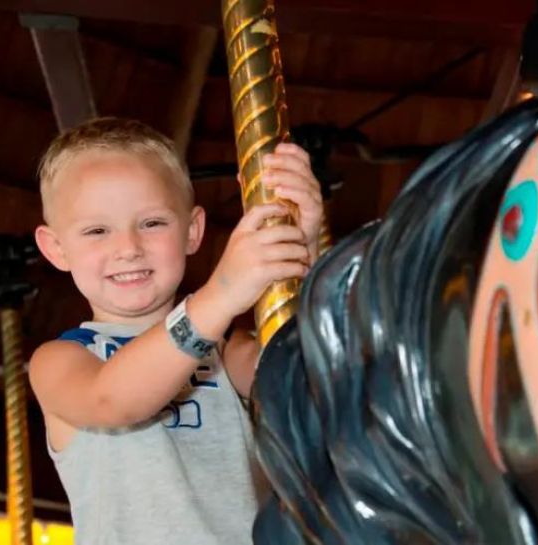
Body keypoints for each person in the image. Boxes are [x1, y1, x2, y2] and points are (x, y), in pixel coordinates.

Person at [29, 117, 323, 544]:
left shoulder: (225, 352)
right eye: (97, 230)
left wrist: (299, 248)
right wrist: (220, 294)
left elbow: (304, 380)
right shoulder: (63, 360)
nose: (128, 247)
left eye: (152, 223)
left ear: (192, 231)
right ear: (56, 248)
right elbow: (113, 401)